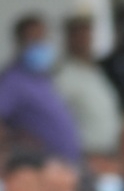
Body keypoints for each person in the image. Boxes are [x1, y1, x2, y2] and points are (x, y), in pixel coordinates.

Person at [2, 13, 82, 165]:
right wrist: (14, 139)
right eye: (34, 40)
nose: (40, 45)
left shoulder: (43, 77)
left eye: (42, 38)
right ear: (20, 42)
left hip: (69, 163)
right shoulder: (12, 81)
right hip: (42, 167)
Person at [55, 14, 123, 171]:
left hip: (111, 153)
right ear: (69, 38)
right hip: (88, 156)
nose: (85, 39)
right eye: (79, 35)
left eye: (87, 33)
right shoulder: (64, 76)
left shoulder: (96, 70)